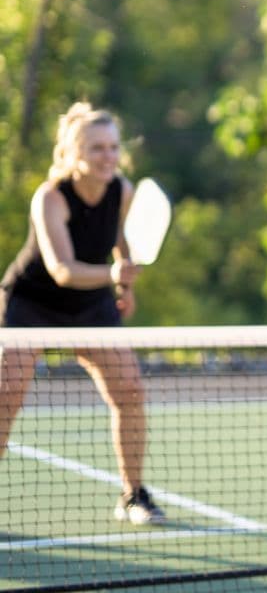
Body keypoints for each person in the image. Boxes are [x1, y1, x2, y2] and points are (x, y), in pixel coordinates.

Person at [0, 101, 165, 525]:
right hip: (31, 303)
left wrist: (125, 286)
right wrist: (114, 274)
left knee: (129, 391)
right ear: (75, 154)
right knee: (6, 396)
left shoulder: (122, 190)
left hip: (91, 305)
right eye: (97, 149)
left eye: (112, 147)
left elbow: (124, 246)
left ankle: (133, 495)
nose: (108, 156)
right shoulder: (50, 197)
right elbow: (62, 269)